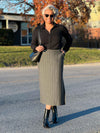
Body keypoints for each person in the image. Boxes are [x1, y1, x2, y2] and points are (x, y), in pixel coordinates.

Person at [31, 4, 72, 128]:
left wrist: (64, 50)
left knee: (55, 86)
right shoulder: (37, 30)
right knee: (47, 87)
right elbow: (33, 44)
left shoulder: (60, 28)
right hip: (43, 59)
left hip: (56, 59)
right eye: (47, 15)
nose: (49, 17)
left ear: (55, 16)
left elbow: (69, 40)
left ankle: (48, 115)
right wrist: (36, 47)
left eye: (51, 15)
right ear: (43, 16)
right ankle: (50, 115)